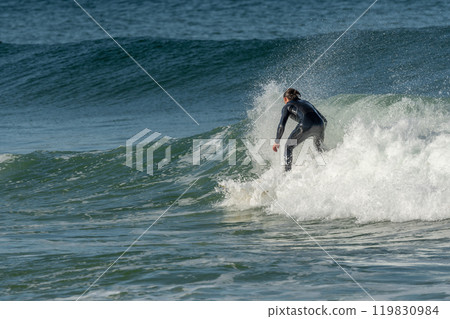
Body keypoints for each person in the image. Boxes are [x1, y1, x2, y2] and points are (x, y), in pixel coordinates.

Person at [272, 88, 327, 171]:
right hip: (320, 124)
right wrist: (320, 130)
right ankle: (329, 161)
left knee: (288, 146)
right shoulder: (307, 102)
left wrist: (277, 141)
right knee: (319, 148)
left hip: (305, 124)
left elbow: (281, 125)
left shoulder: (287, 106)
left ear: (285, 99)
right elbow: (324, 120)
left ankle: (287, 173)